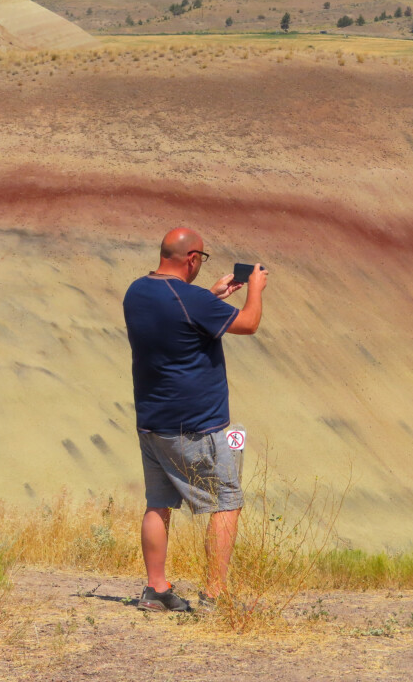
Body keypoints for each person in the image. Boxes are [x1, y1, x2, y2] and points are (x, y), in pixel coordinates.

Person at [122, 226, 267, 612]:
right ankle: (214, 596)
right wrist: (255, 287)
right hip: (198, 426)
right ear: (191, 259)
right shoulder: (191, 300)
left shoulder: (137, 291)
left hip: (152, 422)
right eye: (201, 259)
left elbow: (177, 313)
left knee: (158, 503)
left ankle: (155, 590)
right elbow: (249, 323)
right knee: (226, 502)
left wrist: (211, 296)